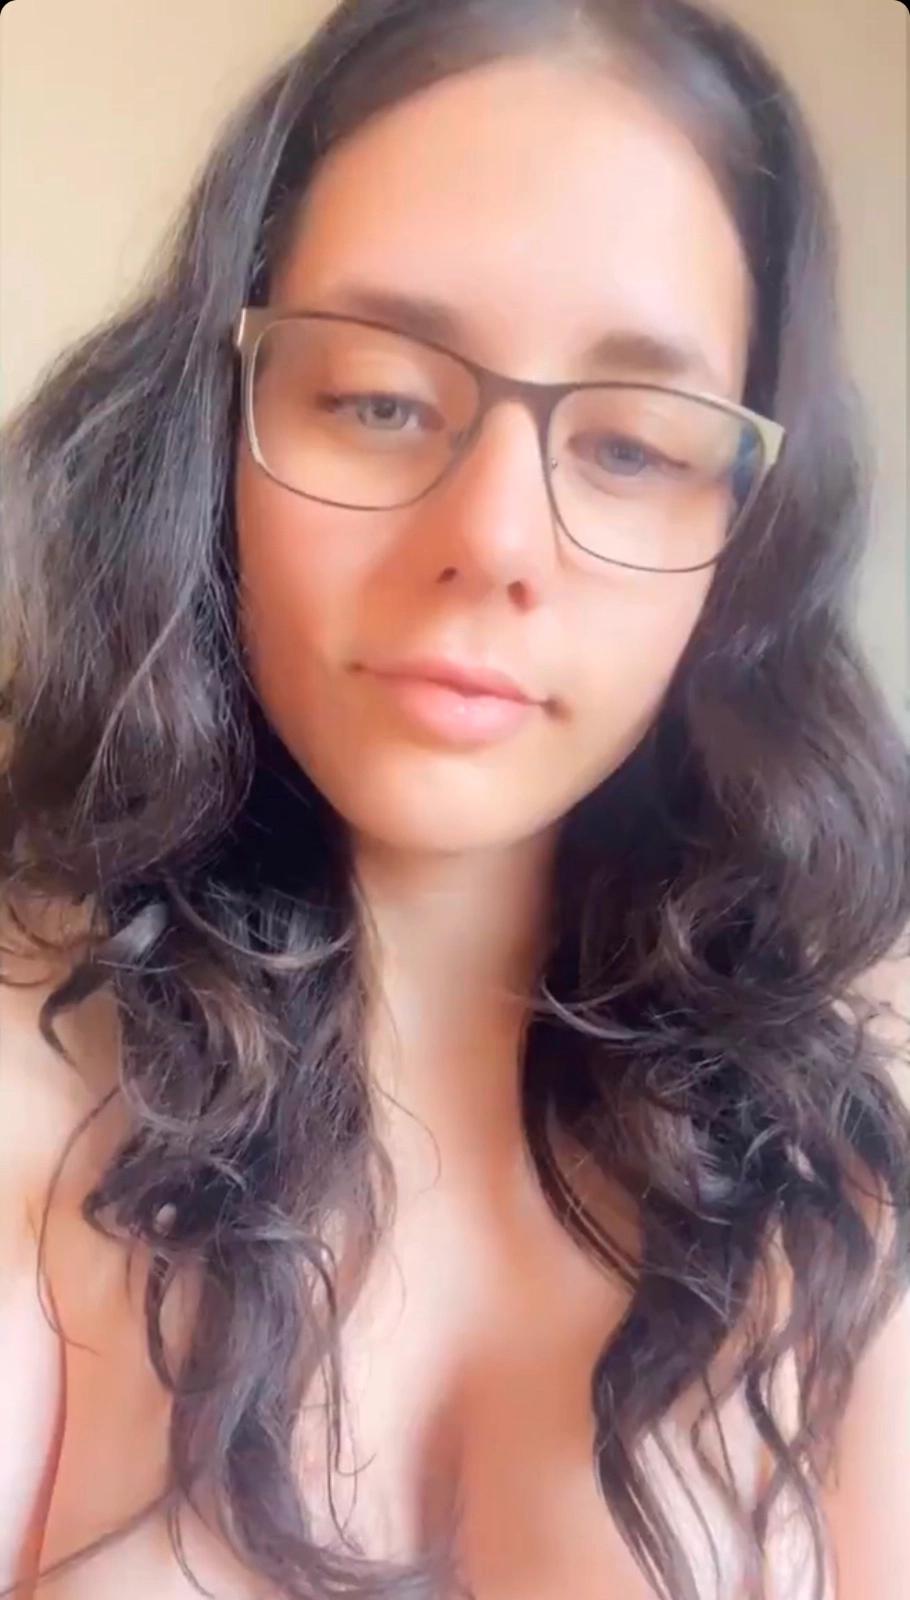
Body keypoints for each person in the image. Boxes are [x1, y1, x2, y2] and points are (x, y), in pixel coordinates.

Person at [0, 1, 907, 1597]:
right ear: (217, 429)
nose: (491, 539)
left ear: (749, 533)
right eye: (375, 398)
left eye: (632, 447)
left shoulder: (851, 1143)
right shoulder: (27, 1079)